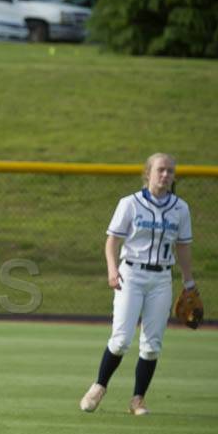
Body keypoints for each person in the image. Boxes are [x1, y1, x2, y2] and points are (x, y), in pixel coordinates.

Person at [80, 153, 196, 416]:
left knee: (152, 345)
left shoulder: (181, 209)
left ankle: (137, 400)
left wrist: (189, 281)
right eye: (160, 170)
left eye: (170, 171)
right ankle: (99, 387)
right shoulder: (129, 204)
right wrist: (112, 270)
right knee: (121, 340)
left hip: (161, 279)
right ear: (148, 173)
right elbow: (112, 241)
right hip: (130, 274)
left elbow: (183, 247)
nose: (165, 175)